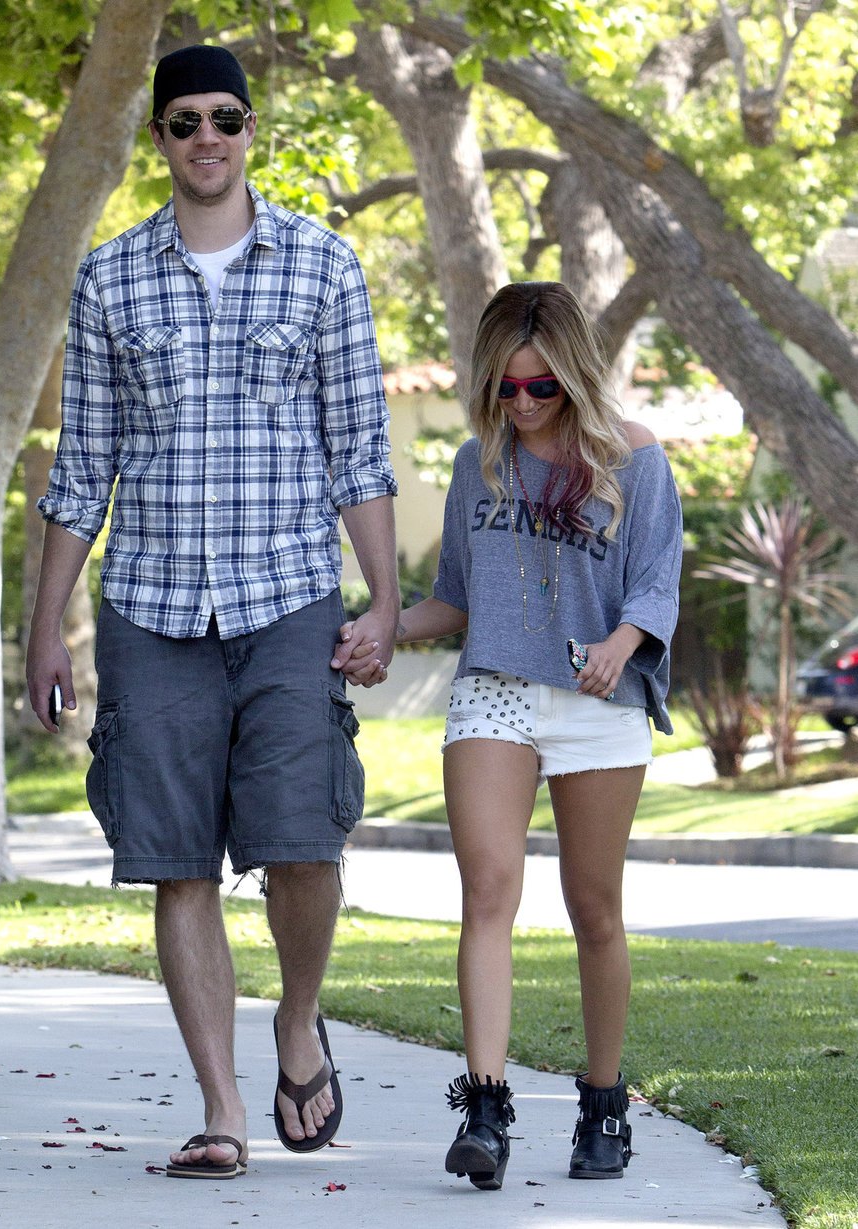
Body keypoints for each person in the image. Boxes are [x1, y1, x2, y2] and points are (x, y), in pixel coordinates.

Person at [26, 44, 398, 1181]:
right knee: (175, 860)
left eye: (223, 119)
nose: (205, 138)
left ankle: (297, 1018)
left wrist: (383, 600)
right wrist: (41, 627)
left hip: (288, 596)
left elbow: (360, 453)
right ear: (159, 137)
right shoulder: (109, 278)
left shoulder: (326, 267)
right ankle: (222, 1108)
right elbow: (81, 467)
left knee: (300, 846)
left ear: (250, 131)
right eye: (182, 121)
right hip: (149, 605)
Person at [336, 281, 682, 1190]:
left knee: (593, 911)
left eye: (543, 389)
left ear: (575, 378)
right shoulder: (476, 465)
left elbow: (654, 586)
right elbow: (456, 595)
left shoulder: (637, 461)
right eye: (507, 388)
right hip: (494, 691)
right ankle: (485, 1109)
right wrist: (380, 626)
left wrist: (619, 647)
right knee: (488, 890)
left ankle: (603, 1104)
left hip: (597, 704)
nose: (524, 405)